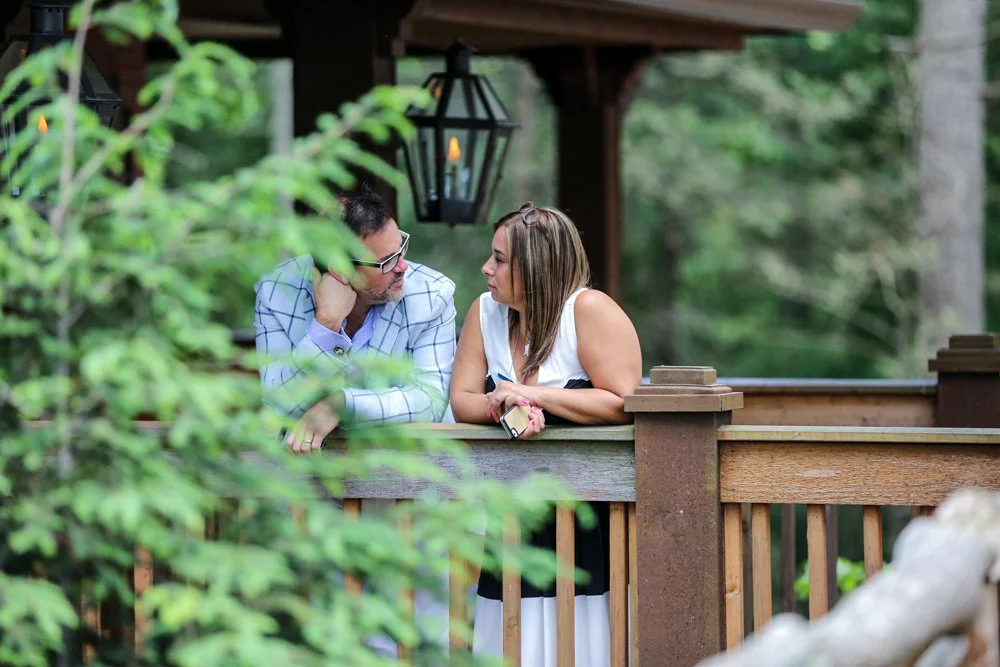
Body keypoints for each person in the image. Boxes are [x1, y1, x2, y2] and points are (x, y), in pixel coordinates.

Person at [450, 201, 642, 664]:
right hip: (509, 517)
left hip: (587, 523)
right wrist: (505, 408)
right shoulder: (485, 313)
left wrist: (534, 395)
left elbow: (623, 401)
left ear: (535, 266)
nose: (486, 268)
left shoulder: (589, 310)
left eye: (499, 259)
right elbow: (463, 400)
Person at [254, 189, 457, 448]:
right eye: (387, 261)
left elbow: (430, 401)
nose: (403, 266)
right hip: (304, 464)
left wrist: (342, 405)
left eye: (401, 248)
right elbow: (278, 406)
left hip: (409, 461)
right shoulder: (275, 292)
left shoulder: (433, 294)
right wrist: (326, 326)